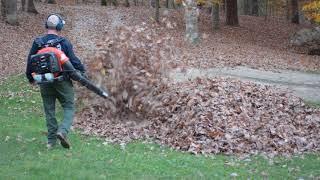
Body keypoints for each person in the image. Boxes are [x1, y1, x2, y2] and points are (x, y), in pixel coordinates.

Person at [26, 14, 86, 149]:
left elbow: (30, 62)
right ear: (60, 26)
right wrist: (83, 72)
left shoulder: (38, 42)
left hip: (44, 81)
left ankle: (51, 142)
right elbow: (74, 61)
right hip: (62, 80)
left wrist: (30, 78)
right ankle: (63, 131)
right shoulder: (64, 43)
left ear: (46, 25)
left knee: (49, 111)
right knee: (69, 107)